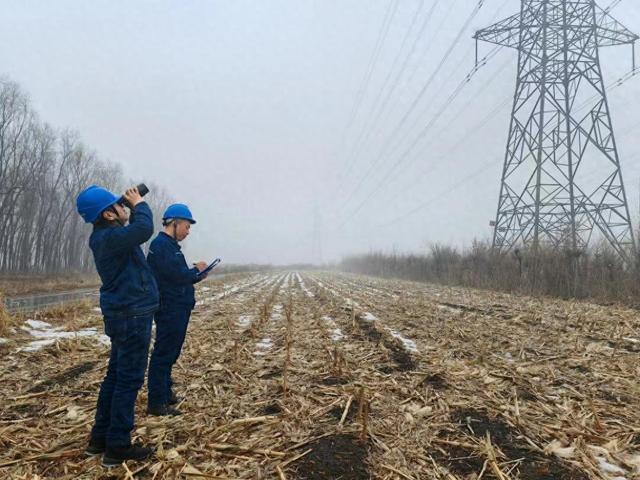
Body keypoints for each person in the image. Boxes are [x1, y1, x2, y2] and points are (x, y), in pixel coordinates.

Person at [76, 185, 159, 467]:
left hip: (124, 314)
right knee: (128, 380)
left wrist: (134, 208)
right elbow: (143, 230)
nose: (123, 207)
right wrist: (139, 205)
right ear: (109, 214)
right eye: (119, 205)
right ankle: (117, 446)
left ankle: (99, 440)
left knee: (115, 377)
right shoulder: (109, 238)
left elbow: (135, 232)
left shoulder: (107, 237)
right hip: (131, 315)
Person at [146, 203, 208, 416]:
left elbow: (178, 276)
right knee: (163, 354)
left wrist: (198, 274)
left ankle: (165, 392)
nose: (188, 231)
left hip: (177, 307)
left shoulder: (168, 246)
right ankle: (156, 402)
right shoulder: (162, 246)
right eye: (186, 226)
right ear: (174, 223)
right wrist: (196, 271)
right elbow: (178, 275)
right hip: (169, 308)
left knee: (171, 352)